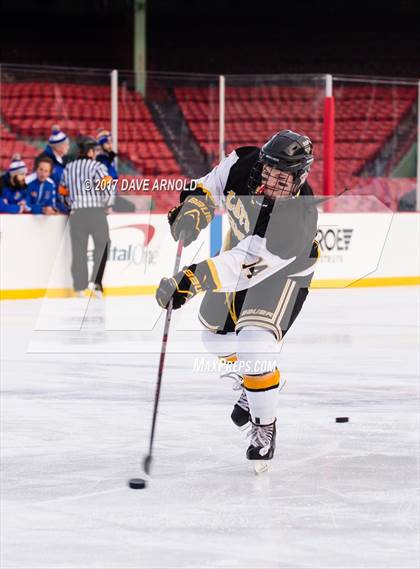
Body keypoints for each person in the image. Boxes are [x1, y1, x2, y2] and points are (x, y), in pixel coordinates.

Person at [155, 130, 319, 469]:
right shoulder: (242, 164)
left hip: (282, 273)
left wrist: (192, 278)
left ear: (299, 178)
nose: (273, 181)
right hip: (238, 258)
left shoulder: (297, 216)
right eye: (270, 171)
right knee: (212, 336)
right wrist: (193, 207)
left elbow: (245, 262)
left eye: (284, 177)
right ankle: (254, 382)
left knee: (254, 345)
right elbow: (211, 183)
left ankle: (264, 426)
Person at [60, 135, 115, 297]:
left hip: (76, 214)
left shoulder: (68, 169)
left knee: (79, 250)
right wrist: (108, 204)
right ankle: (96, 283)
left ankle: (79, 287)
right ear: (90, 151)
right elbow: (107, 188)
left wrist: (70, 204)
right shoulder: (97, 167)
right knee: (103, 245)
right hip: (95, 212)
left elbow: (62, 193)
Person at [35, 124, 70, 213]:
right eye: (66, 144)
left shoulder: (63, 160)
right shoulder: (44, 160)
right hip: (48, 207)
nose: (68, 147)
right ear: (58, 147)